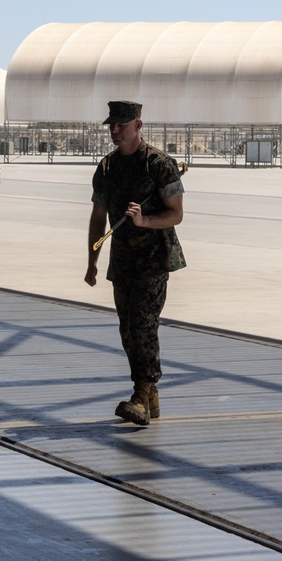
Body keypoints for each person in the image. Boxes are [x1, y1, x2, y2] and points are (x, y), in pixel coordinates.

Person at [84, 100, 186, 425]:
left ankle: (142, 393)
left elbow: (176, 214)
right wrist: (92, 261)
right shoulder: (107, 168)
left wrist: (144, 222)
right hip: (123, 261)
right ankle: (149, 395)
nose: (115, 131)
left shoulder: (159, 164)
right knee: (128, 329)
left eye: (121, 125)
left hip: (154, 259)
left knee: (143, 325)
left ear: (138, 125)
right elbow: (98, 216)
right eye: (111, 126)